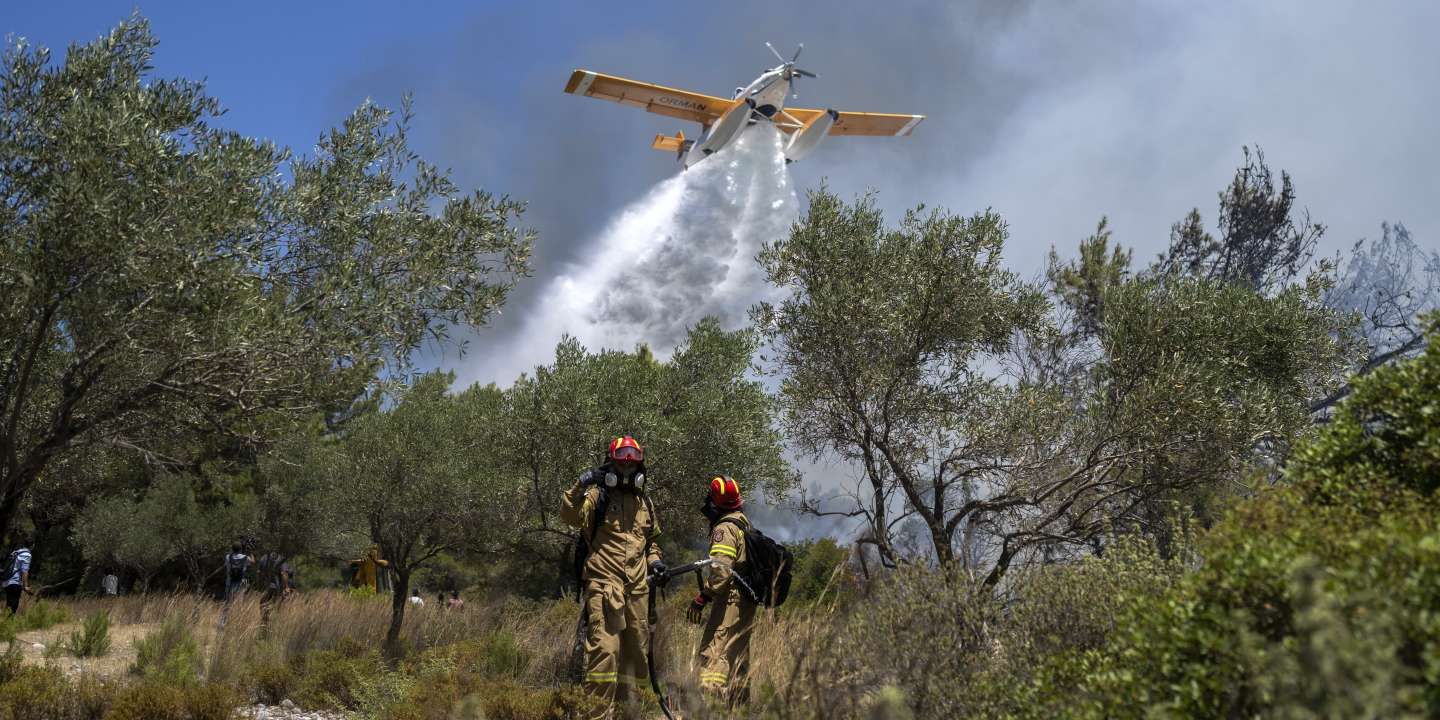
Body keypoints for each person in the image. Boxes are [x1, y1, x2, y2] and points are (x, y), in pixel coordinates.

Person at [560, 436, 664, 718]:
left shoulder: (646, 503)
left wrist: (655, 563)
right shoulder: (597, 497)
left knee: (636, 660)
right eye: (622, 463)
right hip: (605, 587)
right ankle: (594, 715)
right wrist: (581, 483)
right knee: (604, 654)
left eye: (633, 465)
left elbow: (651, 542)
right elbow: (568, 514)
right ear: (612, 464)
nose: (628, 470)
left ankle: (629, 715)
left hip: (637, 592)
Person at [688, 475, 757, 706]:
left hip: (730, 600)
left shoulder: (725, 528)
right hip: (745, 602)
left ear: (716, 501)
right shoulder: (743, 522)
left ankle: (712, 704)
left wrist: (702, 597)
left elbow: (721, 571)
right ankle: (739, 708)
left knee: (715, 653)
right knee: (737, 655)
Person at [256, 551, 293, 625]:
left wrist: (259, 585)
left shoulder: (263, 558)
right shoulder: (281, 559)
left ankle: (265, 623)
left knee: (263, 604)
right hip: (277, 587)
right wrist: (286, 587)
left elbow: (259, 572)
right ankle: (272, 624)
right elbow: (284, 574)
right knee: (276, 606)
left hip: (267, 587)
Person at [2, 537, 33, 615]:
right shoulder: (27, 554)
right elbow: (25, 571)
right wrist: (25, 586)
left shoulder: (15, 552)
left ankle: (4, 623)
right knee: (13, 607)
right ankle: (8, 624)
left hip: (6, 581)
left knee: (9, 605)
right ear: (33, 545)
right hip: (15, 582)